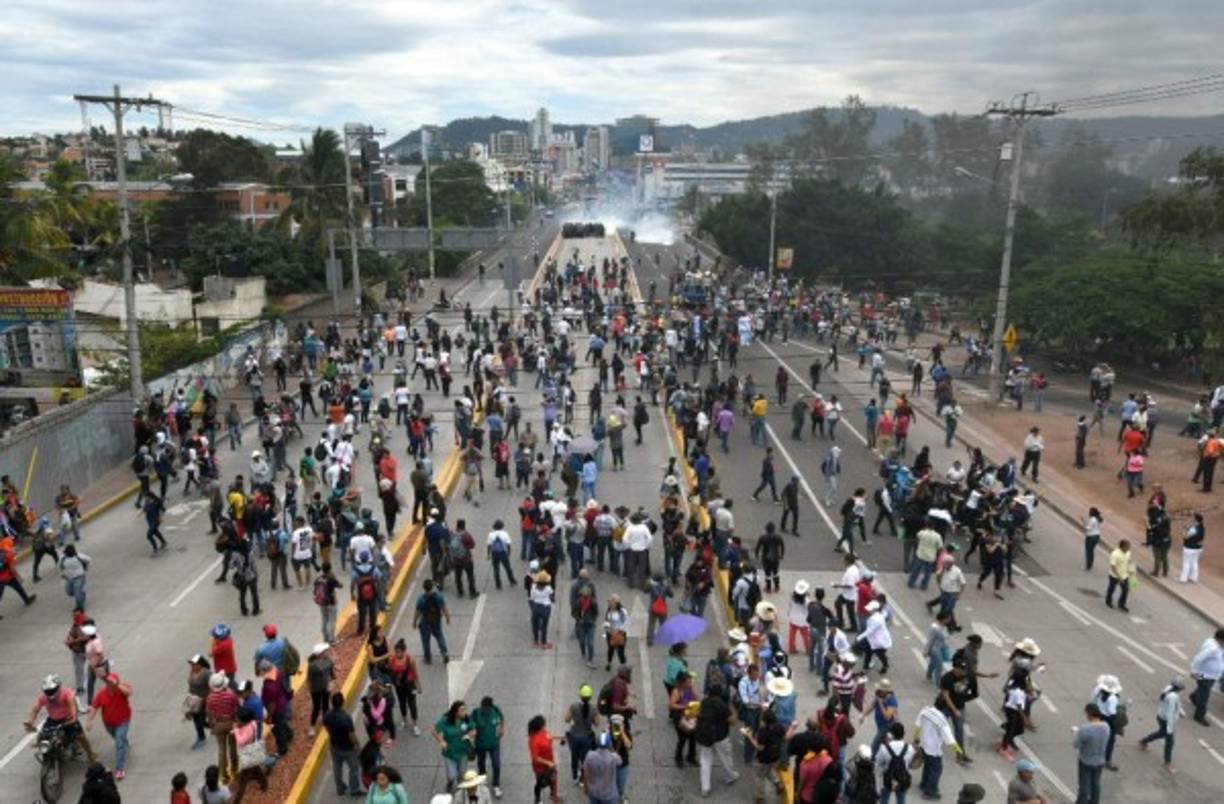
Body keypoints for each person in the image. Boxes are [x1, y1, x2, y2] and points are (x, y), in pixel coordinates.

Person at [24, 673, 98, 763]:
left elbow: (72, 706)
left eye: (52, 690)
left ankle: (90, 754)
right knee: (42, 736)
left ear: (58, 687)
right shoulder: (44, 698)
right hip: (53, 720)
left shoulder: (66, 693)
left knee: (81, 736)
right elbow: (35, 709)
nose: (49, 692)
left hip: (68, 719)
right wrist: (30, 721)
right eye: (47, 691)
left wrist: (73, 717)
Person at [85, 672, 133, 779]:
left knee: (119, 743)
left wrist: (118, 685)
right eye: (107, 682)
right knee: (118, 739)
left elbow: (129, 692)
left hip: (123, 721)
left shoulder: (122, 690)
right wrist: (89, 721)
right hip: (109, 723)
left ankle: (120, 769)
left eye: (111, 683)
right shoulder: (102, 694)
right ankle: (124, 741)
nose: (109, 685)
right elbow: (94, 707)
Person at [695, 682, 740, 795]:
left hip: (704, 736)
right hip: (720, 737)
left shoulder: (704, 702)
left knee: (705, 761)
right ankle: (730, 776)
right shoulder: (722, 705)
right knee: (726, 758)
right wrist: (734, 711)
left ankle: (705, 788)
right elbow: (732, 721)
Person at [914, 701, 961, 801]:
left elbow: (917, 726)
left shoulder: (925, 711)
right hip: (934, 750)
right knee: (936, 770)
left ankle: (924, 784)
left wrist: (916, 739)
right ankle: (930, 792)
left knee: (927, 766)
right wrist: (959, 751)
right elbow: (950, 740)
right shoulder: (942, 722)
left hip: (924, 746)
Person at [1139, 676, 1186, 772]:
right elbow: (1170, 712)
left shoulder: (1168, 689)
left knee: (1160, 733)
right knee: (1170, 742)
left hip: (1161, 716)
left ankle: (1144, 741)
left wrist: (1180, 711)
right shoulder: (1173, 696)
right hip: (1166, 720)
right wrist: (1169, 728)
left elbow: (1175, 705)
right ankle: (1167, 763)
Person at [323, 691, 365, 797]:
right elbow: (351, 735)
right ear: (342, 702)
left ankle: (340, 788)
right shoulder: (346, 718)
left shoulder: (327, 715)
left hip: (334, 745)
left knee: (337, 767)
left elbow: (327, 728)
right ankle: (354, 790)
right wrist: (357, 745)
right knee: (354, 768)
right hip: (347, 748)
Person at [434, 700, 476, 792]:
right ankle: (450, 782)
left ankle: (460, 790)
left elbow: (473, 729)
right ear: (455, 712)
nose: (465, 712)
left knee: (462, 773)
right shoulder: (445, 721)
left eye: (465, 709)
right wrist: (441, 741)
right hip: (450, 753)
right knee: (451, 775)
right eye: (462, 710)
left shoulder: (467, 719)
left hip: (463, 752)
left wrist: (470, 735)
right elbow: (434, 731)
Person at [1073, 703, 1109, 804]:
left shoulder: (1085, 729)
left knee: (1084, 786)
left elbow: (1076, 745)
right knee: (1096, 784)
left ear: (1089, 713)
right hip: (1100, 760)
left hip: (1086, 761)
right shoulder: (1106, 726)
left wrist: (1077, 733)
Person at [472, 695, 506, 798]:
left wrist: (502, 728)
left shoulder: (496, 710)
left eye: (487, 708)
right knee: (481, 763)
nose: (485, 710)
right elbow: (470, 725)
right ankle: (482, 780)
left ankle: (496, 785)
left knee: (496, 764)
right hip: (480, 744)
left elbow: (502, 718)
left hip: (494, 744)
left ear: (491, 707)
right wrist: (472, 733)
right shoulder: (476, 713)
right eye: (483, 708)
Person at [874, 721, 915, 804]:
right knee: (901, 799)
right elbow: (910, 762)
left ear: (891, 734)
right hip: (903, 776)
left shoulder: (884, 747)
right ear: (903, 734)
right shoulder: (910, 748)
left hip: (887, 777)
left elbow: (878, 761)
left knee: (884, 798)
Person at [388, 638, 422, 736]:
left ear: (404, 651)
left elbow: (415, 674)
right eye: (396, 652)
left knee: (412, 704)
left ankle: (415, 725)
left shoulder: (410, 660)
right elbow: (391, 673)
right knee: (402, 703)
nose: (397, 654)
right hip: (399, 686)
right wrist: (393, 682)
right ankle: (404, 720)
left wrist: (419, 686)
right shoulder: (392, 660)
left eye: (399, 652)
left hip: (410, 686)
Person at [1189, 628, 1223, 725]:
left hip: (1211, 675)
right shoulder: (1212, 649)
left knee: (1203, 688)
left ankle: (1194, 696)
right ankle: (1199, 715)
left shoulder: (1216, 645)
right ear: (1221, 639)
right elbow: (1198, 659)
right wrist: (1194, 671)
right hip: (1204, 675)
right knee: (1205, 694)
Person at [413, 578, 451, 663]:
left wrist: (414, 622)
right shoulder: (438, 596)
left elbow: (417, 612)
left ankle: (427, 658)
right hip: (436, 620)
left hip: (425, 622)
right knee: (439, 636)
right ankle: (444, 653)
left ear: (424, 588)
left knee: (425, 640)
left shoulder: (421, 599)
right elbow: (444, 609)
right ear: (432, 587)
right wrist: (448, 618)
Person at [582, 730, 623, 804]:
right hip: (609, 795)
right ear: (609, 743)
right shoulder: (613, 758)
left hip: (594, 792)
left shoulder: (590, 756)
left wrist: (586, 787)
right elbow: (620, 761)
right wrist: (612, 749)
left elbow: (585, 773)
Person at [528, 714, 561, 804]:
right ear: (540, 726)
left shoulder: (544, 732)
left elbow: (550, 738)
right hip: (540, 768)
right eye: (544, 725)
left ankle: (552, 794)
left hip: (550, 763)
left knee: (553, 779)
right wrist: (547, 763)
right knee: (540, 783)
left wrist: (560, 738)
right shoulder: (534, 740)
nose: (545, 726)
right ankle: (537, 798)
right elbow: (535, 758)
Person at [1104, 540, 1133, 612]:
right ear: (1122, 547)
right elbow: (1113, 566)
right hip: (1114, 576)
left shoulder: (1128, 553)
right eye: (1127, 547)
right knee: (1111, 589)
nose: (1129, 548)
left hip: (1124, 575)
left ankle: (1121, 604)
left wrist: (1131, 570)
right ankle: (1108, 601)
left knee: (1126, 590)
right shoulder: (1115, 554)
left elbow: (1129, 561)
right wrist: (1119, 577)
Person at [1179, 513, 1204, 583]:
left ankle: (1183, 578)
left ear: (1195, 519)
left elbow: (1186, 536)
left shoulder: (1194, 529)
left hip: (1189, 548)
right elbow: (1193, 530)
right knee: (1194, 562)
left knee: (1186, 563)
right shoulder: (1201, 527)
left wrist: (1183, 531)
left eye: (1193, 518)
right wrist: (1188, 528)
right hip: (1198, 548)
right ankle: (1194, 578)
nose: (1191, 519)